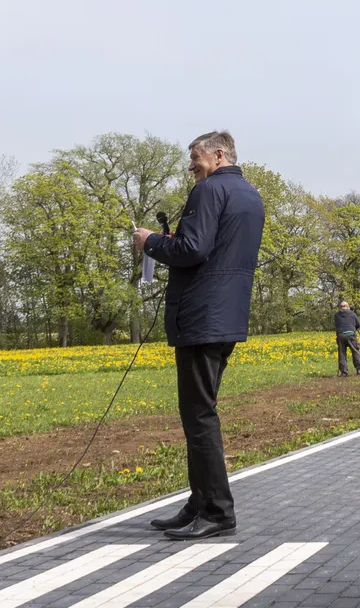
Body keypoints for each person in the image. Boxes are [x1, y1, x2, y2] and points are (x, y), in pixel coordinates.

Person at [133, 131, 264, 541]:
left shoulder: (208, 191)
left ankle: (217, 512)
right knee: (199, 413)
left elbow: (192, 250)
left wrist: (151, 242)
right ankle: (198, 502)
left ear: (219, 154)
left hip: (200, 316)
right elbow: (213, 249)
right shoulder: (250, 195)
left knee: (199, 415)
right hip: (226, 315)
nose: (191, 165)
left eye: (195, 157)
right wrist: (175, 242)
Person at [334, 300, 360, 376]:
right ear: (347, 307)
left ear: (340, 307)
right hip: (351, 334)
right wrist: (354, 327)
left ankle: (344, 372)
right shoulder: (352, 313)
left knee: (342, 353)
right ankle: (359, 369)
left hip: (340, 335)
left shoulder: (336, 315)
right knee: (355, 351)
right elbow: (358, 324)